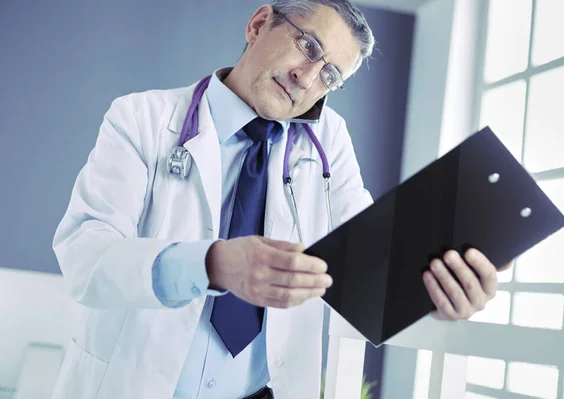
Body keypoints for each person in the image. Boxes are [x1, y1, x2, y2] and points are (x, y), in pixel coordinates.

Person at [51, 1, 513, 398]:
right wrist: (212, 265)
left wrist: (434, 291)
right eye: (308, 46)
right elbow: (85, 254)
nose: (306, 77)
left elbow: (371, 259)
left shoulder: (327, 140)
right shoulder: (142, 117)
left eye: (329, 74)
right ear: (258, 25)